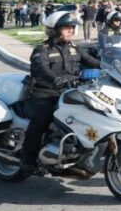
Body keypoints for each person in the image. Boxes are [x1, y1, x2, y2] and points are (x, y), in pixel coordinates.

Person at [20, 10, 99, 171]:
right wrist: (54, 78)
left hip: (70, 91)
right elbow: (39, 67)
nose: (71, 30)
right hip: (45, 93)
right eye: (66, 27)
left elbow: (94, 62)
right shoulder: (42, 49)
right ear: (54, 29)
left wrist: (114, 66)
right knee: (42, 118)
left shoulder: (75, 49)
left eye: (72, 27)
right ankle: (27, 159)